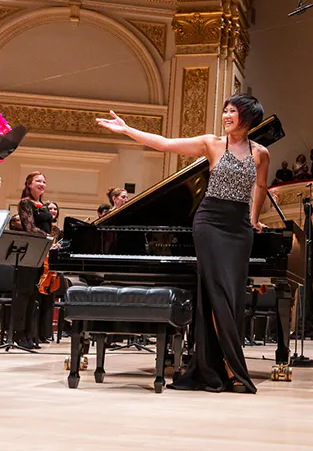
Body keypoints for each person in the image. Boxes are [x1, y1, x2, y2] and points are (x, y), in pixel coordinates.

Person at [97, 93, 269, 394]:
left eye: (233, 111)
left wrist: (254, 219)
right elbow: (164, 143)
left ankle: (221, 366)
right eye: (225, 110)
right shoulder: (212, 143)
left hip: (240, 230)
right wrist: (127, 129)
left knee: (233, 297)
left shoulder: (261, 153)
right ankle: (231, 369)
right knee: (217, 294)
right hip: (210, 223)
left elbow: (261, 186)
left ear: (248, 116)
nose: (226, 116)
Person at [15, 171, 53, 349]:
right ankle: (19, 334)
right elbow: (29, 227)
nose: (42, 184)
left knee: (33, 295)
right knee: (24, 294)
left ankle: (30, 335)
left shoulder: (43, 205)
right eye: (38, 181)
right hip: (29, 252)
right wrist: (49, 238)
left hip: (41, 253)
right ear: (29, 184)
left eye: (44, 181)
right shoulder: (25, 203)